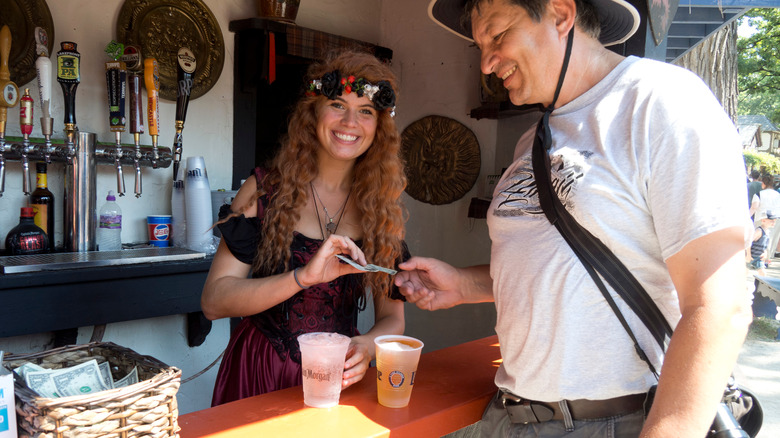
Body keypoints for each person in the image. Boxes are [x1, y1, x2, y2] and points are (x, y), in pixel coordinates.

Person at [398, 0, 752, 436]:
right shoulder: (534, 138)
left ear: (561, 14)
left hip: (613, 421)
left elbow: (719, 306)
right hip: (511, 415)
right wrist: (462, 283)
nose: (487, 64)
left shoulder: (661, 101)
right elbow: (555, 270)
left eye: (497, 35)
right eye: (480, 46)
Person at [201, 49, 408, 406]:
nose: (349, 123)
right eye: (338, 105)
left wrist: (367, 344)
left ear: (379, 126)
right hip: (261, 370)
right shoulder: (265, 190)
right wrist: (303, 277)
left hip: (337, 375)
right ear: (313, 112)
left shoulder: (380, 207)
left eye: (366, 111)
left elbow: (392, 318)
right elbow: (214, 301)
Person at [751, 174, 780, 259]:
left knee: (759, 239)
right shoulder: (778, 195)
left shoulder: (759, 194)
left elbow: (754, 207)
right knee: (772, 239)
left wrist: (747, 217)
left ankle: (759, 258)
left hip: (762, 219)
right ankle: (767, 259)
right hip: (776, 219)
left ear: (763, 183)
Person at [748, 210, 778, 277]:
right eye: (771, 221)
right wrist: (748, 255)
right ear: (763, 220)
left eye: (775, 221)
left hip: (758, 258)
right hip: (750, 256)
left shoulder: (767, 231)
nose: (774, 223)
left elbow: (764, 245)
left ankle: (758, 286)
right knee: (744, 273)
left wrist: (765, 253)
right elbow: (748, 242)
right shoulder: (759, 231)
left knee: (763, 273)